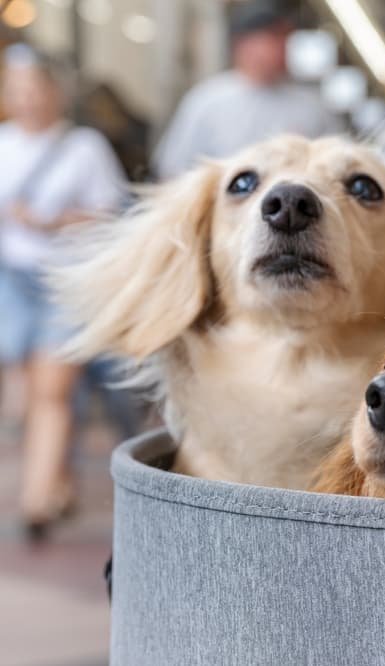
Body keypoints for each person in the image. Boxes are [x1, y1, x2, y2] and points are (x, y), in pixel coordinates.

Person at [0, 44, 126, 539]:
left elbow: (113, 215)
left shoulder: (84, 147)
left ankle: (36, 501)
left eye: (35, 89)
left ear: (56, 92)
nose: (27, 100)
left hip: (64, 283)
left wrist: (53, 222)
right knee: (34, 393)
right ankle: (60, 485)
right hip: (12, 281)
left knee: (51, 391)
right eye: (17, 90)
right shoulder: (4, 143)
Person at [153, 0, 341, 179]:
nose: (282, 47)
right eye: (273, 37)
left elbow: (338, 166)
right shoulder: (207, 101)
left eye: (285, 38)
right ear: (242, 44)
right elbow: (172, 170)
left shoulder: (312, 106)